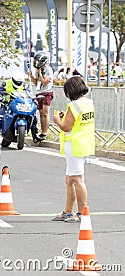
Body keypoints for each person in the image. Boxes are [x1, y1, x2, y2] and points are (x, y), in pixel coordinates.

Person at [52, 76, 95, 223]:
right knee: (70, 179)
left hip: (75, 145)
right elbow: (77, 121)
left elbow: (66, 127)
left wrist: (58, 120)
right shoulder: (89, 103)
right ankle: (68, 211)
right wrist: (66, 117)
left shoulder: (74, 105)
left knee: (77, 179)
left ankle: (82, 212)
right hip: (83, 143)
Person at [0, 70, 40, 148]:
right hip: (7, 105)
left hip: (20, 105)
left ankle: (35, 135)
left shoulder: (24, 85)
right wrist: (2, 99)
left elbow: (28, 94)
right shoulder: (6, 83)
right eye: (16, 82)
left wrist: (34, 100)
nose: (18, 84)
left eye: (19, 82)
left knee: (34, 117)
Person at [28, 51, 54, 141]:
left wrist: (39, 73)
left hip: (47, 92)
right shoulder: (37, 70)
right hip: (39, 93)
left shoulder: (48, 70)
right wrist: (31, 76)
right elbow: (37, 83)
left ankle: (45, 132)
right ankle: (42, 131)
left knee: (46, 113)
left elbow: (44, 82)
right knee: (41, 113)